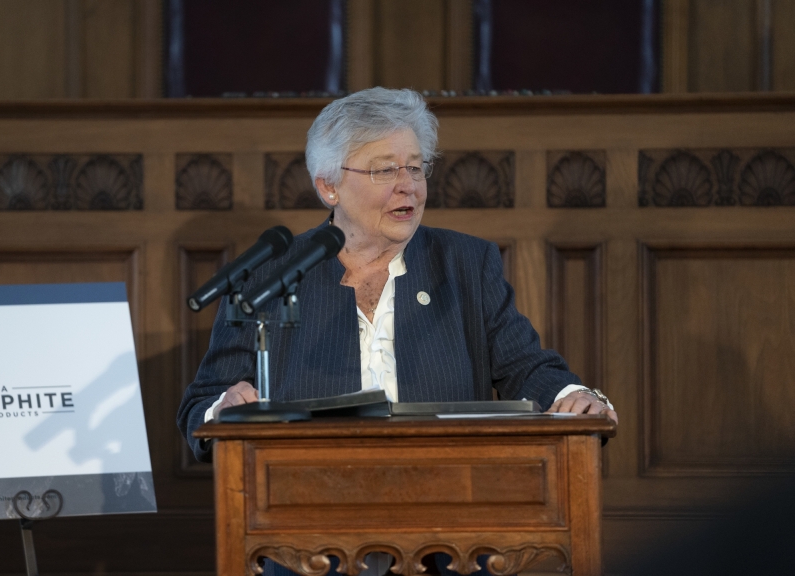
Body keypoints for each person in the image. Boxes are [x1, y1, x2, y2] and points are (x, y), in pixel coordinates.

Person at [177, 87, 618, 574]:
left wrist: (574, 395)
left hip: (448, 530)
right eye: (385, 170)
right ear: (329, 187)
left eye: (416, 167)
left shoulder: (465, 263)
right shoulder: (271, 273)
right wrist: (223, 408)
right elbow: (201, 405)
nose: (408, 186)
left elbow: (525, 366)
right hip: (306, 533)